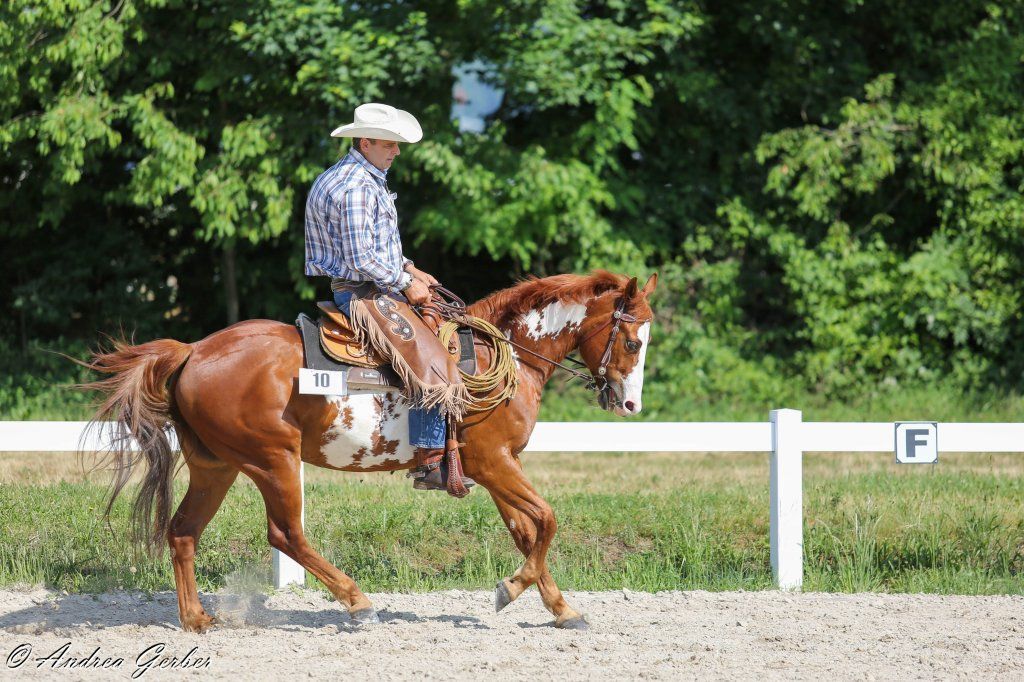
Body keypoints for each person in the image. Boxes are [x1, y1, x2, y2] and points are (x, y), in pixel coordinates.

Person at [304, 102, 474, 494]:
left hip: (375, 284)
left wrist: (410, 269)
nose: (397, 152)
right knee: (430, 357)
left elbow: (374, 245)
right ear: (365, 142)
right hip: (361, 293)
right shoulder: (355, 187)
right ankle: (430, 458)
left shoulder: (361, 176)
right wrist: (404, 281)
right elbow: (361, 259)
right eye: (389, 144)